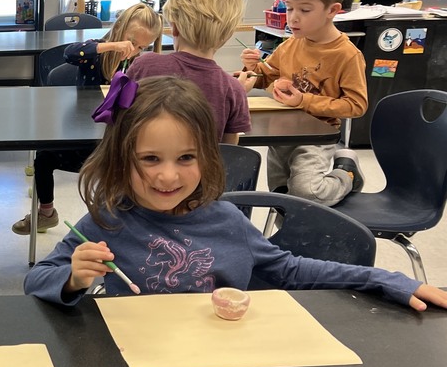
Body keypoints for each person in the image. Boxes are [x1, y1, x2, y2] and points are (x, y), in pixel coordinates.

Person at [24, 75, 447, 312]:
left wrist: (386, 279)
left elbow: (295, 271)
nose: (168, 176)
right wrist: (73, 278)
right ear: (120, 159)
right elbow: (35, 281)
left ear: (208, 157)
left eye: (186, 158)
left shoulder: (229, 224)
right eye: (150, 159)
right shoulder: (105, 222)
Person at [11, 3, 162, 235]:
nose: (134, 50)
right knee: (43, 158)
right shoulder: (95, 53)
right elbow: (70, 53)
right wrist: (111, 46)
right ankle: (46, 213)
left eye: (142, 46)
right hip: (85, 138)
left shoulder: (140, 65)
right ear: (119, 29)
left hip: (115, 142)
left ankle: (127, 221)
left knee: (136, 167)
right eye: (132, 42)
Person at [238, 0, 367, 206]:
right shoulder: (290, 45)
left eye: (305, 10)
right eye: (289, 8)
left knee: (307, 192)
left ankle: (347, 173)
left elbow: (356, 105)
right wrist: (252, 68)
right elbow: (265, 76)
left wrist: (304, 100)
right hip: (283, 133)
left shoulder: (347, 54)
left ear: (332, 10)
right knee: (281, 195)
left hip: (316, 136)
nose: (293, 18)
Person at [127, 0, 251, 145]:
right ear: (227, 34)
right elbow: (229, 151)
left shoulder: (144, 65)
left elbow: (119, 122)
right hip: (199, 172)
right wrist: (236, 95)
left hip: (140, 170)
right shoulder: (233, 89)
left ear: (174, 26)